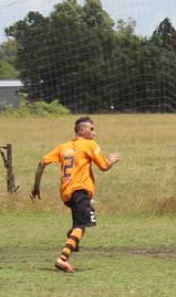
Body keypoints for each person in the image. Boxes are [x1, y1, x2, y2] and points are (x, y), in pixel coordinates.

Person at [31, 116, 120, 273]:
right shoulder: (89, 144)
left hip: (66, 192)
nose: (95, 133)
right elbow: (104, 166)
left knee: (83, 221)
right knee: (82, 224)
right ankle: (62, 259)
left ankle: (73, 239)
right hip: (79, 191)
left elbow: (42, 163)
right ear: (82, 130)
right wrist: (112, 160)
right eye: (92, 129)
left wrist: (36, 187)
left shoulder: (63, 147)